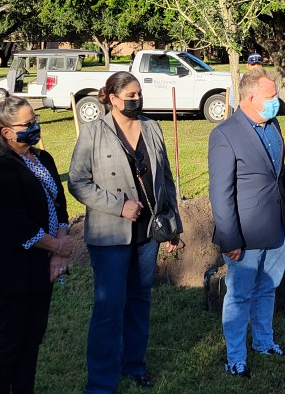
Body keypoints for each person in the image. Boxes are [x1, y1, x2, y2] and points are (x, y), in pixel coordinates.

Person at [68, 71, 182, 394]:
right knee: (109, 307)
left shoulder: (152, 127)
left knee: (139, 301)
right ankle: (102, 382)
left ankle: (134, 366)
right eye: (130, 95)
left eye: (139, 94)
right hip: (110, 237)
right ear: (113, 99)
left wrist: (174, 224)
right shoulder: (93, 132)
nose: (136, 99)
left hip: (148, 234)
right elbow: (77, 182)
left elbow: (166, 180)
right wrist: (119, 206)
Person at [0, 97, 72, 394]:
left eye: (35, 120)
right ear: (7, 132)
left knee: (32, 340)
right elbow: (18, 227)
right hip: (11, 271)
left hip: (40, 267)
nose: (35, 127)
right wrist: (58, 248)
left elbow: (59, 205)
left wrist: (60, 246)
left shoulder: (43, 158)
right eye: (28, 123)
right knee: (10, 342)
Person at [208, 68, 285, 378]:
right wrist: (229, 238)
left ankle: (263, 341)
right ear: (251, 98)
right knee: (240, 295)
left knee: (268, 289)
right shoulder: (225, 134)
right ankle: (235, 357)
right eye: (271, 97)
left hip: (277, 228)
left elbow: (279, 173)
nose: (276, 101)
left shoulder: (272, 126)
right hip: (244, 235)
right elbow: (220, 193)